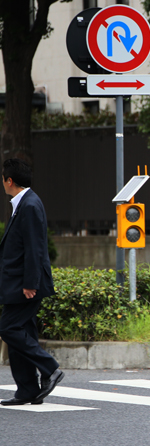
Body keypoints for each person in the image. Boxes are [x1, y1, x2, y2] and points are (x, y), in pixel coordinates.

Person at [0, 159, 64, 406]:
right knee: (23, 332)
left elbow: (35, 248)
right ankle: (27, 389)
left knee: (8, 328)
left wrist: (30, 283)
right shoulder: (23, 203)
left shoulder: (29, 205)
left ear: (9, 181)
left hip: (25, 286)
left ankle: (51, 368)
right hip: (18, 284)